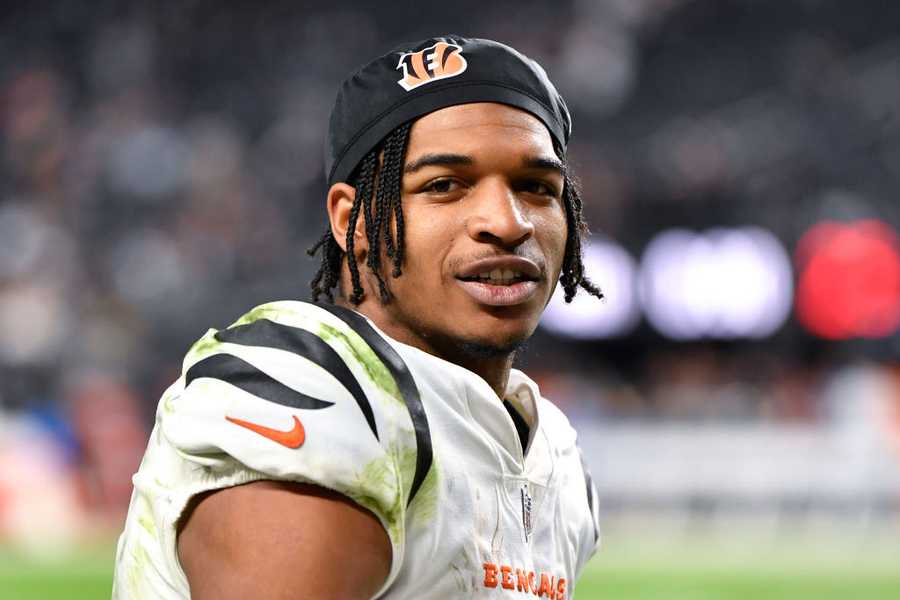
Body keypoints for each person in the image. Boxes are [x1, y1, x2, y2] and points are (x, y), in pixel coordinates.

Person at [113, 35, 603, 599]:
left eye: (537, 187)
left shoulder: (555, 455)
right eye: (444, 186)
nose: (507, 220)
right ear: (353, 220)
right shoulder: (313, 386)